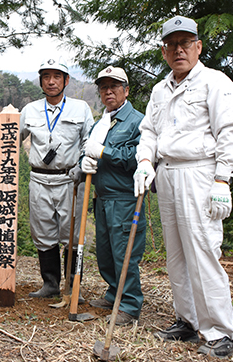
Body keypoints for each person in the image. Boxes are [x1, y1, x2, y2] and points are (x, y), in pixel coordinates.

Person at [134, 16, 233, 358]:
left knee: (204, 251)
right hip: (166, 174)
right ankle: (188, 320)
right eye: (172, 44)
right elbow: (149, 131)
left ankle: (220, 332)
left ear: (198, 46)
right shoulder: (160, 90)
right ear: (164, 51)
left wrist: (223, 178)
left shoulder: (215, 82)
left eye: (186, 43)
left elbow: (228, 131)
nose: (179, 50)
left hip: (200, 173)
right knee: (177, 253)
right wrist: (145, 162)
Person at [20, 57, 93, 300]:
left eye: (57, 77)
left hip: (71, 180)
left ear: (66, 80)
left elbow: (88, 140)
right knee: (43, 233)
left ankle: (74, 286)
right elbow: (12, 138)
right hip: (40, 180)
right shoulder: (30, 110)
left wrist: (83, 165)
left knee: (74, 235)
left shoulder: (80, 108)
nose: (51, 82)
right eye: (46, 77)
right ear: (41, 81)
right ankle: (50, 284)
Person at [82, 66, 146, 326]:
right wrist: (83, 163)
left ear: (126, 91)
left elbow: (135, 158)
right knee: (106, 253)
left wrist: (103, 152)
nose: (108, 91)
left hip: (124, 199)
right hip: (102, 198)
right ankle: (113, 294)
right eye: (104, 87)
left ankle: (129, 305)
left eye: (114, 86)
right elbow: (89, 150)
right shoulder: (102, 123)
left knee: (124, 253)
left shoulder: (137, 121)